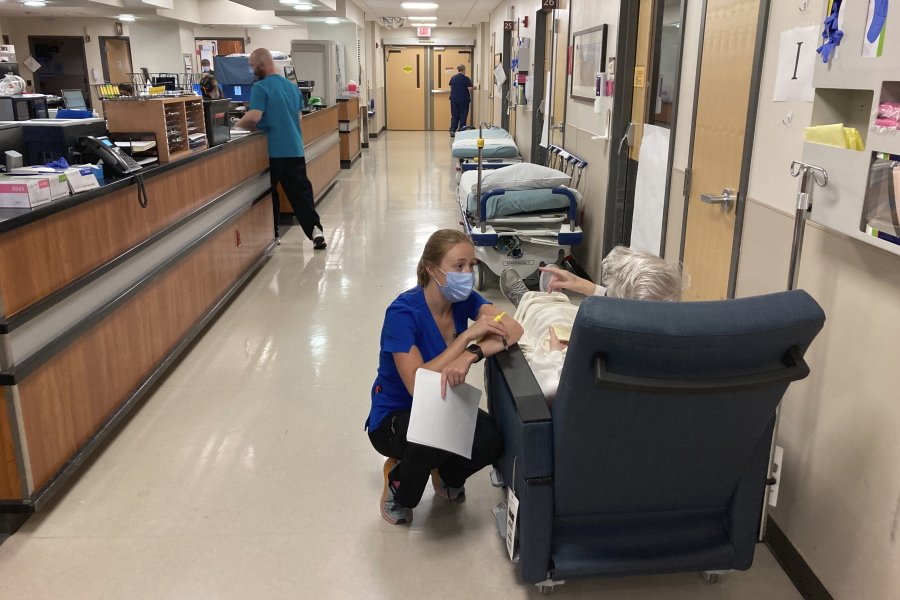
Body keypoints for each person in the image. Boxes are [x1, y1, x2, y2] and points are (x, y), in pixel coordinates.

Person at [367, 229, 524, 525]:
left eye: (471, 265)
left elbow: (513, 328)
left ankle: (447, 475)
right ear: (431, 269)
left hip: (441, 401)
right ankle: (399, 484)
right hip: (395, 414)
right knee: (432, 439)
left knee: (491, 438)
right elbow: (416, 384)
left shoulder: (464, 300)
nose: (467, 273)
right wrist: (465, 337)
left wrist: (470, 355)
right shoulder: (402, 313)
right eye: (458, 266)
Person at [499, 246, 686, 403]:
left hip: (579, 430)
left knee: (549, 322)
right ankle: (548, 299)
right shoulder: (682, 354)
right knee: (567, 313)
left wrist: (554, 354)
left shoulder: (593, 362)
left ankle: (528, 300)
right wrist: (587, 287)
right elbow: (634, 306)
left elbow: (548, 390)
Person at [234, 48, 326, 249]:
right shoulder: (292, 87)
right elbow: (298, 117)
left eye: (252, 66)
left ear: (261, 64)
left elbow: (254, 117)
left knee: (269, 193)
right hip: (294, 148)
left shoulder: (261, 87)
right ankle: (315, 231)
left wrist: (234, 127)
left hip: (271, 152)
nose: (251, 70)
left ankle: (273, 234)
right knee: (301, 193)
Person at [448, 65, 476, 136]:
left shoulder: (453, 78)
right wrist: (475, 87)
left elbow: (451, 87)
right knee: (463, 114)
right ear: (464, 70)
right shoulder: (466, 79)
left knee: (454, 114)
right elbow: (470, 88)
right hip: (463, 99)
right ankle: (461, 130)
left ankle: (452, 130)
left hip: (454, 99)